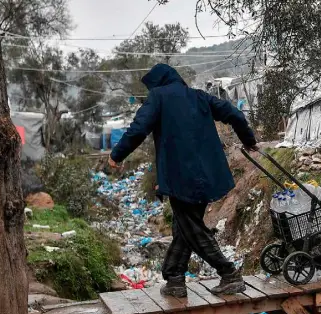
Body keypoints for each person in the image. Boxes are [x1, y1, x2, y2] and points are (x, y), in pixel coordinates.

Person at [109, 63, 256, 298]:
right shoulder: (200, 97)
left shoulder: (158, 97)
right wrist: (248, 140)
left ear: (158, 83)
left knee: (191, 228)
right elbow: (235, 115)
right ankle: (175, 278)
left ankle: (229, 274)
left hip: (181, 175)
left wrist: (117, 154)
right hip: (209, 174)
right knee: (184, 226)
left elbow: (138, 129)